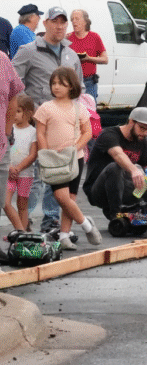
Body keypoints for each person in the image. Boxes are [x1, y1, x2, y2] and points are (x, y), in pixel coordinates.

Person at [13, 6, 84, 234]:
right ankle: (25, 222)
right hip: (35, 126)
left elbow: (79, 89)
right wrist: (22, 114)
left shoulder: (72, 55)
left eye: (63, 22)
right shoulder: (28, 50)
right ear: (45, 24)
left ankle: (52, 221)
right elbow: (12, 83)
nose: (60, 26)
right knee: (32, 176)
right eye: (55, 21)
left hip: (63, 127)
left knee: (59, 172)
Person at [33, 67, 101, 250]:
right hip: (53, 159)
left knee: (70, 197)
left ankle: (64, 236)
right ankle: (86, 224)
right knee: (61, 196)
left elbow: (87, 132)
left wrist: (74, 148)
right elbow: (40, 133)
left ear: (71, 86)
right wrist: (46, 153)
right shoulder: (46, 108)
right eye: (53, 83)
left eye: (61, 84)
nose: (56, 87)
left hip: (74, 158)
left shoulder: (79, 108)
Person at [84, 107, 147, 218]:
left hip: (125, 187)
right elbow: (118, 154)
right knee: (115, 167)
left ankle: (136, 211)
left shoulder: (140, 140)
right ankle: (115, 215)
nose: (145, 133)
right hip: (99, 190)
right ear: (131, 121)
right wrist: (134, 170)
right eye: (142, 128)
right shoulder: (108, 134)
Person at [0, 51, 25, 239]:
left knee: (0, 199)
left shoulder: (2, 59)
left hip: (1, 145)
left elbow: (13, 98)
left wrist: (7, 133)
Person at [4, 94, 37, 231]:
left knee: (22, 205)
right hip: (8, 172)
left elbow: (33, 154)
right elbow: (4, 149)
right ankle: (20, 230)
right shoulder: (8, 129)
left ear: (28, 113)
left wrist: (18, 168)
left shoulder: (33, 132)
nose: (14, 114)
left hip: (25, 175)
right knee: (5, 203)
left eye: (18, 111)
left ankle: (21, 237)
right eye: (13, 111)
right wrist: (10, 168)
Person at [67, 9, 107, 101]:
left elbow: (105, 59)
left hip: (89, 82)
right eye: (72, 19)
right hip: (72, 82)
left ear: (85, 21)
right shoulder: (68, 38)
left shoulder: (94, 37)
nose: (74, 22)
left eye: (77, 19)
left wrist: (88, 58)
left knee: (90, 113)